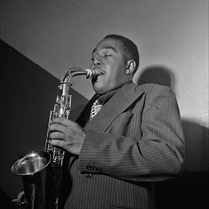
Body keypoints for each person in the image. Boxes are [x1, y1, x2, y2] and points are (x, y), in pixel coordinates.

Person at [49, 34, 185, 209]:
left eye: (106, 55)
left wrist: (87, 145)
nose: (95, 62)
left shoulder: (153, 93)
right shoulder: (78, 112)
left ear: (129, 67)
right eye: (93, 57)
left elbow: (168, 159)